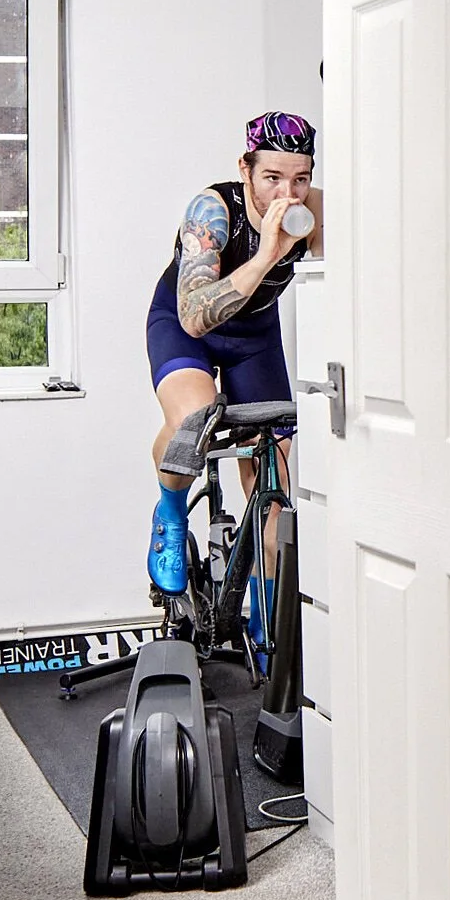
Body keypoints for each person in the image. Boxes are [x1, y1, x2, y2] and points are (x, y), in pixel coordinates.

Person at [143, 111, 324, 592]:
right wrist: (267, 254)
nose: (287, 195)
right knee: (194, 418)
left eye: (300, 179)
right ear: (246, 169)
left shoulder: (316, 212)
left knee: (271, 489)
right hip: (187, 326)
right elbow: (192, 316)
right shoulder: (212, 212)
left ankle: (268, 628)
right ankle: (171, 512)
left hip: (254, 335)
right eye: (272, 178)